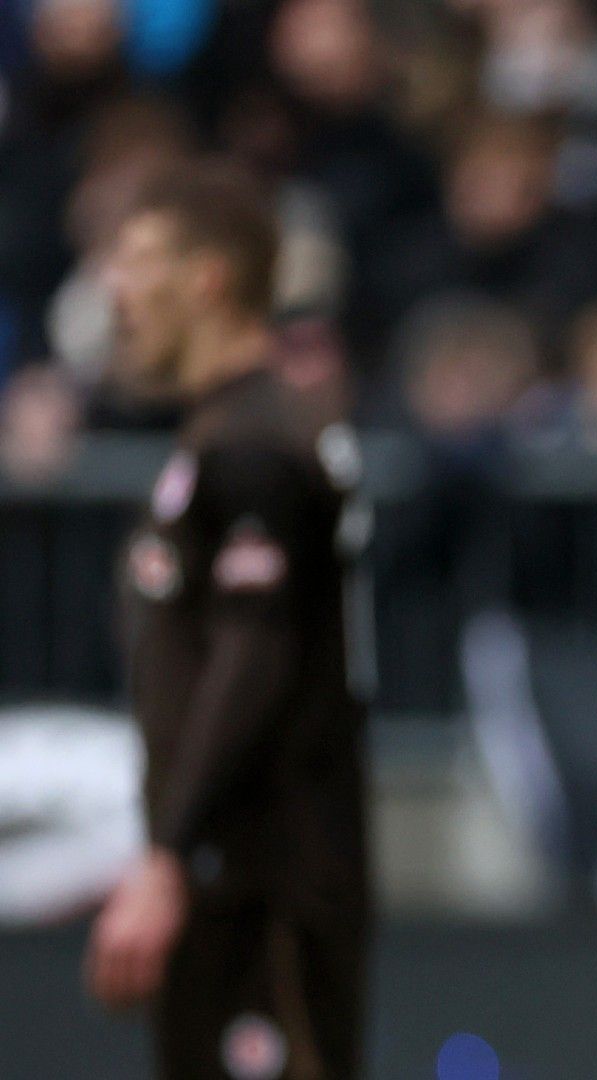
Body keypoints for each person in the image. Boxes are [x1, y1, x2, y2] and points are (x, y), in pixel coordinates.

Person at [82, 163, 371, 1080]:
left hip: (267, 884)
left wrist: (166, 853)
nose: (115, 292)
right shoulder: (227, 432)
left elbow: (256, 652)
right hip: (229, 875)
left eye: (137, 263)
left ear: (208, 277)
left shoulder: (255, 447)